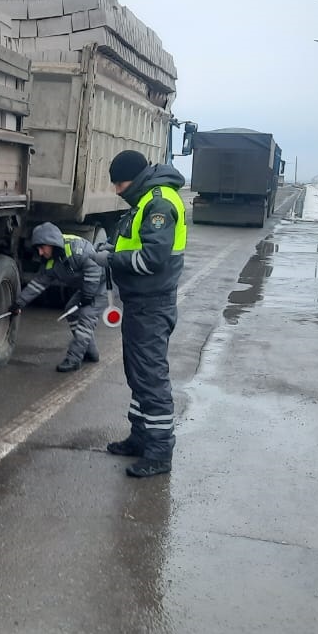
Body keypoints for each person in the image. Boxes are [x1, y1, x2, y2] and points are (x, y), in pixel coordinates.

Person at [96, 149, 187, 478]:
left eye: (119, 183)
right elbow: (133, 243)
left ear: (134, 178)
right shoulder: (145, 199)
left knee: (151, 378)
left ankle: (160, 451)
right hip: (141, 303)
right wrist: (111, 248)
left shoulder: (159, 203)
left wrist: (109, 260)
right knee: (138, 374)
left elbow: (151, 259)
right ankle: (140, 437)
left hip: (152, 304)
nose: (117, 191)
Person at [10, 222, 104, 372]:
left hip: (101, 285)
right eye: (37, 249)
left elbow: (95, 268)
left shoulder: (77, 249)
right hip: (87, 288)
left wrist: (87, 295)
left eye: (42, 248)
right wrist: (19, 303)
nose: (40, 253)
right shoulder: (51, 262)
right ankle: (91, 352)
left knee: (86, 317)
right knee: (71, 311)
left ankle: (73, 360)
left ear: (52, 243)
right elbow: (38, 285)